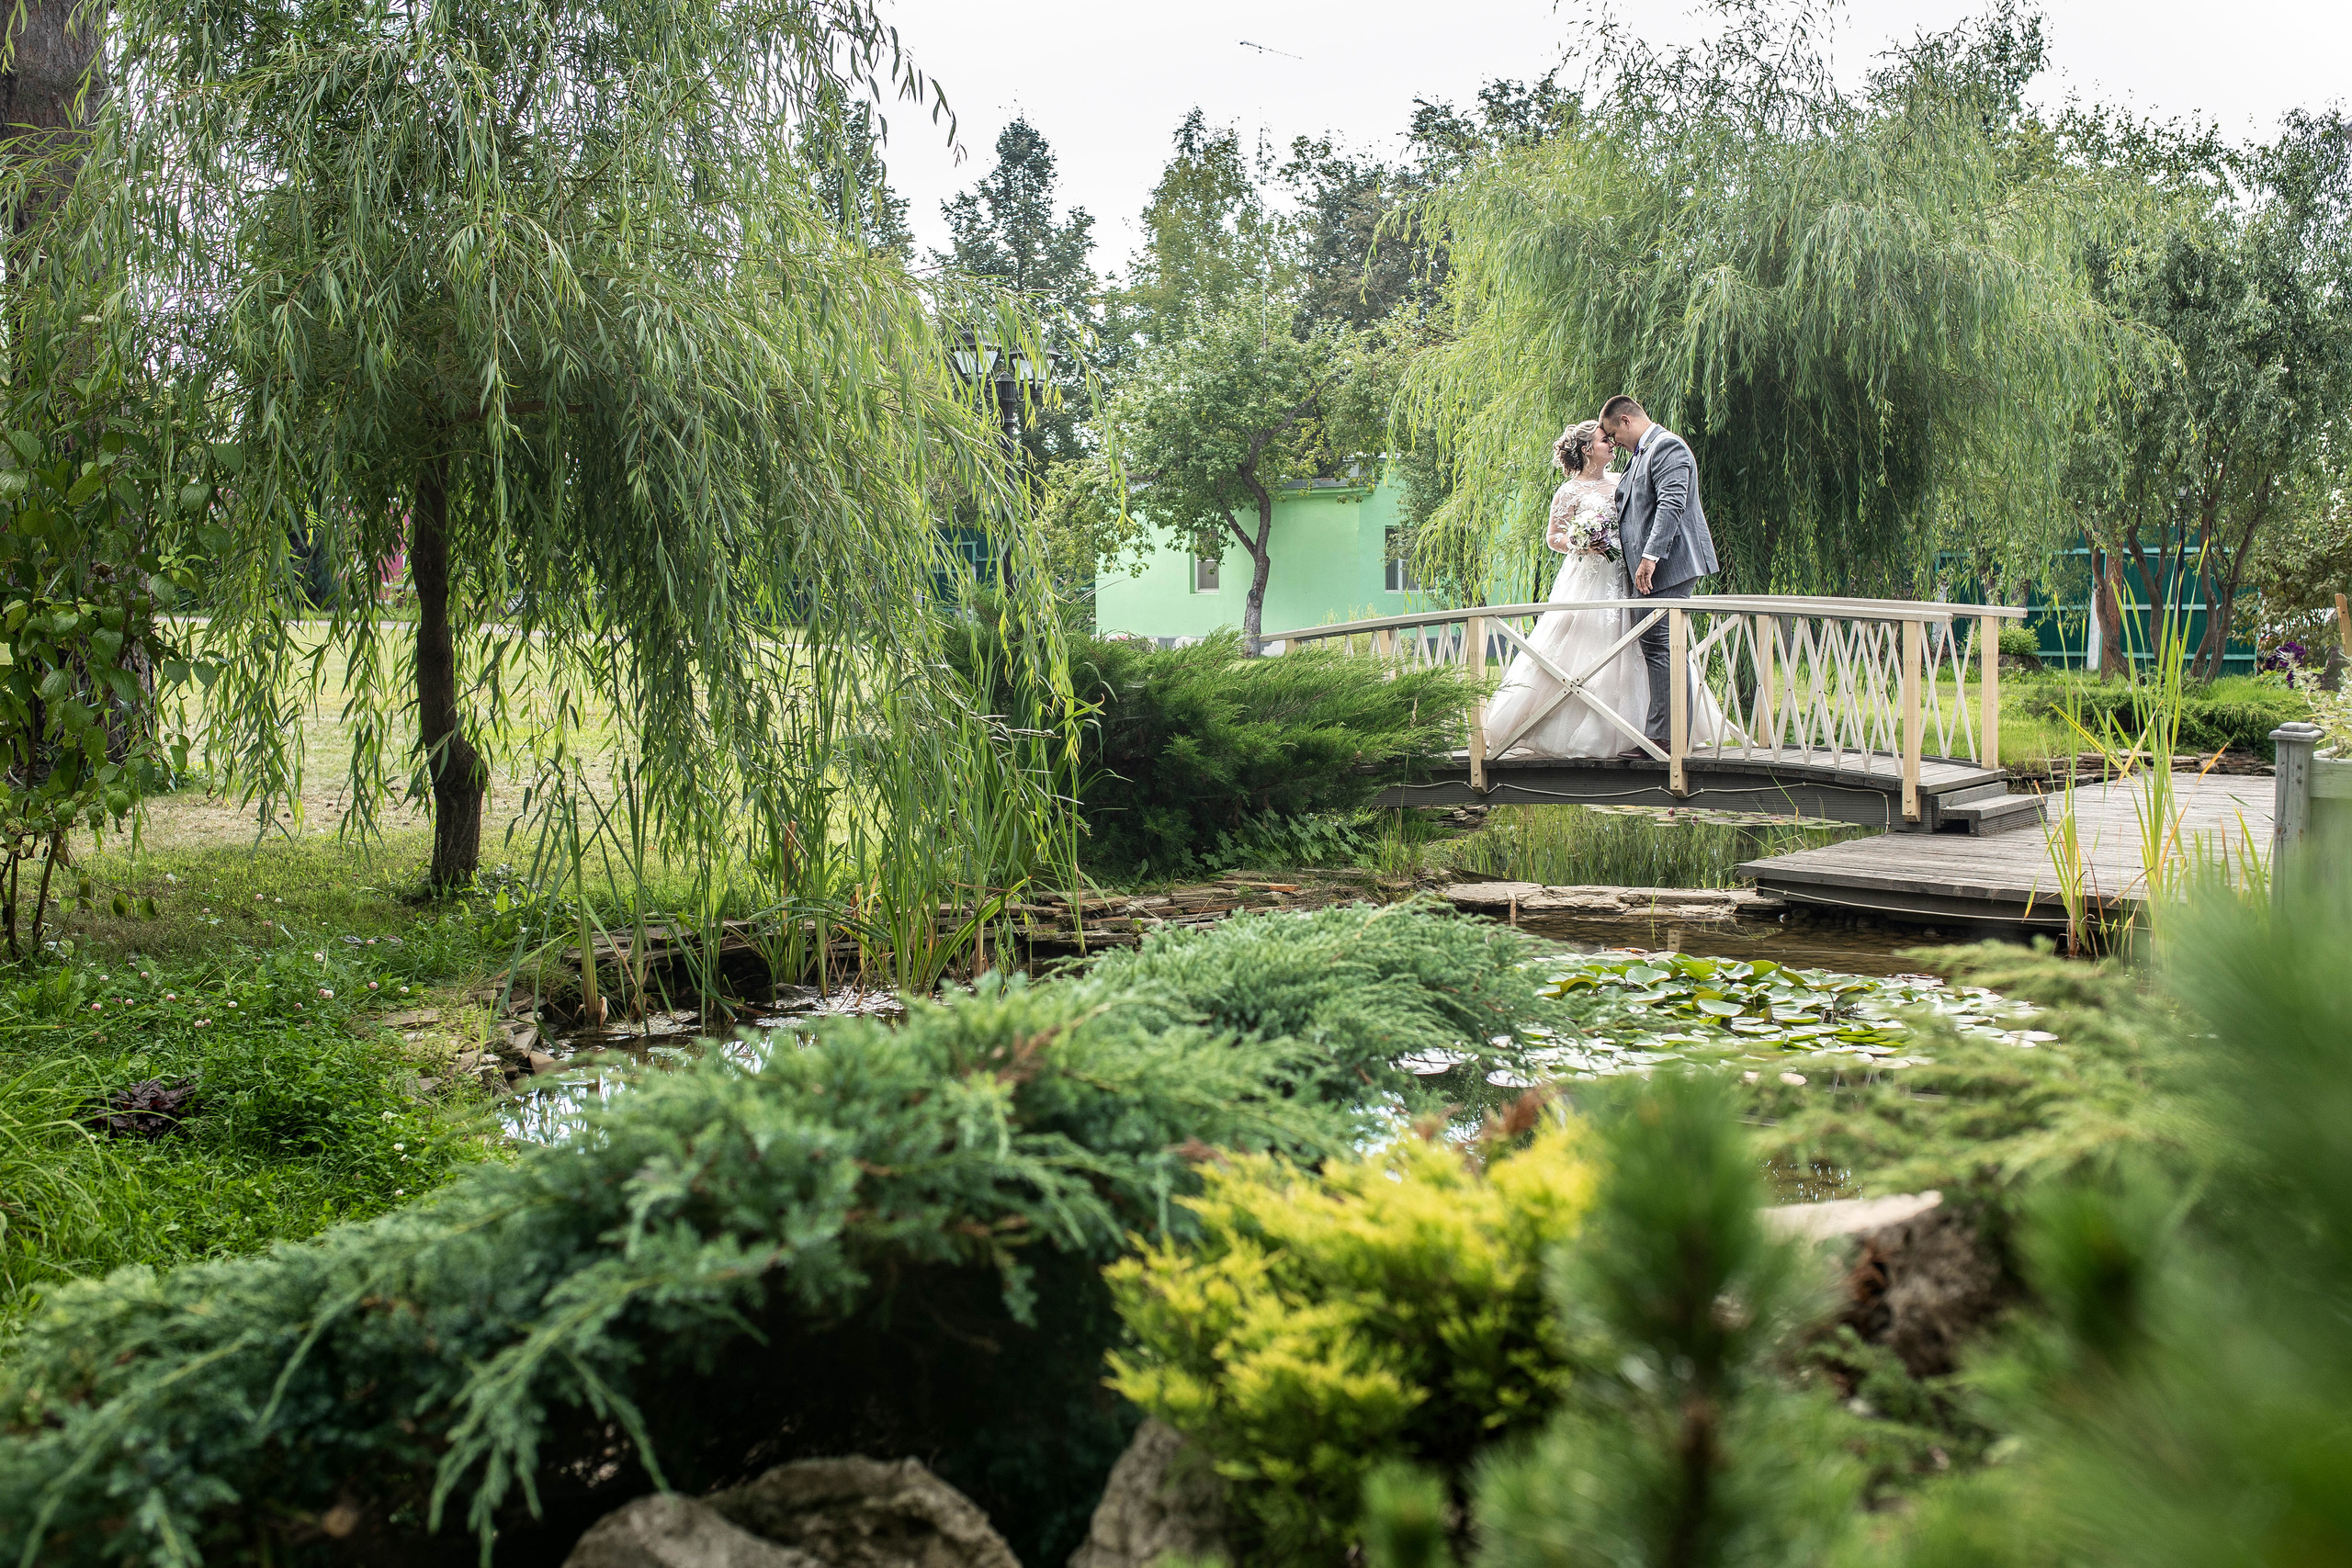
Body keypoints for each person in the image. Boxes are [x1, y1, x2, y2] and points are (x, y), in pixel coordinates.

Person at [1480, 419, 1652, 759]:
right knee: (1578, 641)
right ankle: (1556, 722)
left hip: (1623, 573)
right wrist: (1581, 541)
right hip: (1587, 576)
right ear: (1588, 449)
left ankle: (1643, 732)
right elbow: (1553, 538)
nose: (1612, 444)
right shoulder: (1569, 491)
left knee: (1634, 642)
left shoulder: (1622, 482)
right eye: (1606, 440)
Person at [1598, 394, 1721, 753]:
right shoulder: (1641, 453)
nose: (1613, 442)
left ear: (1625, 421)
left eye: (1612, 434)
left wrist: (1650, 557)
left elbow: (1672, 503)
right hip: (1650, 570)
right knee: (1656, 647)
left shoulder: (1667, 447)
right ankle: (1664, 734)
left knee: (1664, 647)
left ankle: (1666, 739)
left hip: (1670, 565)